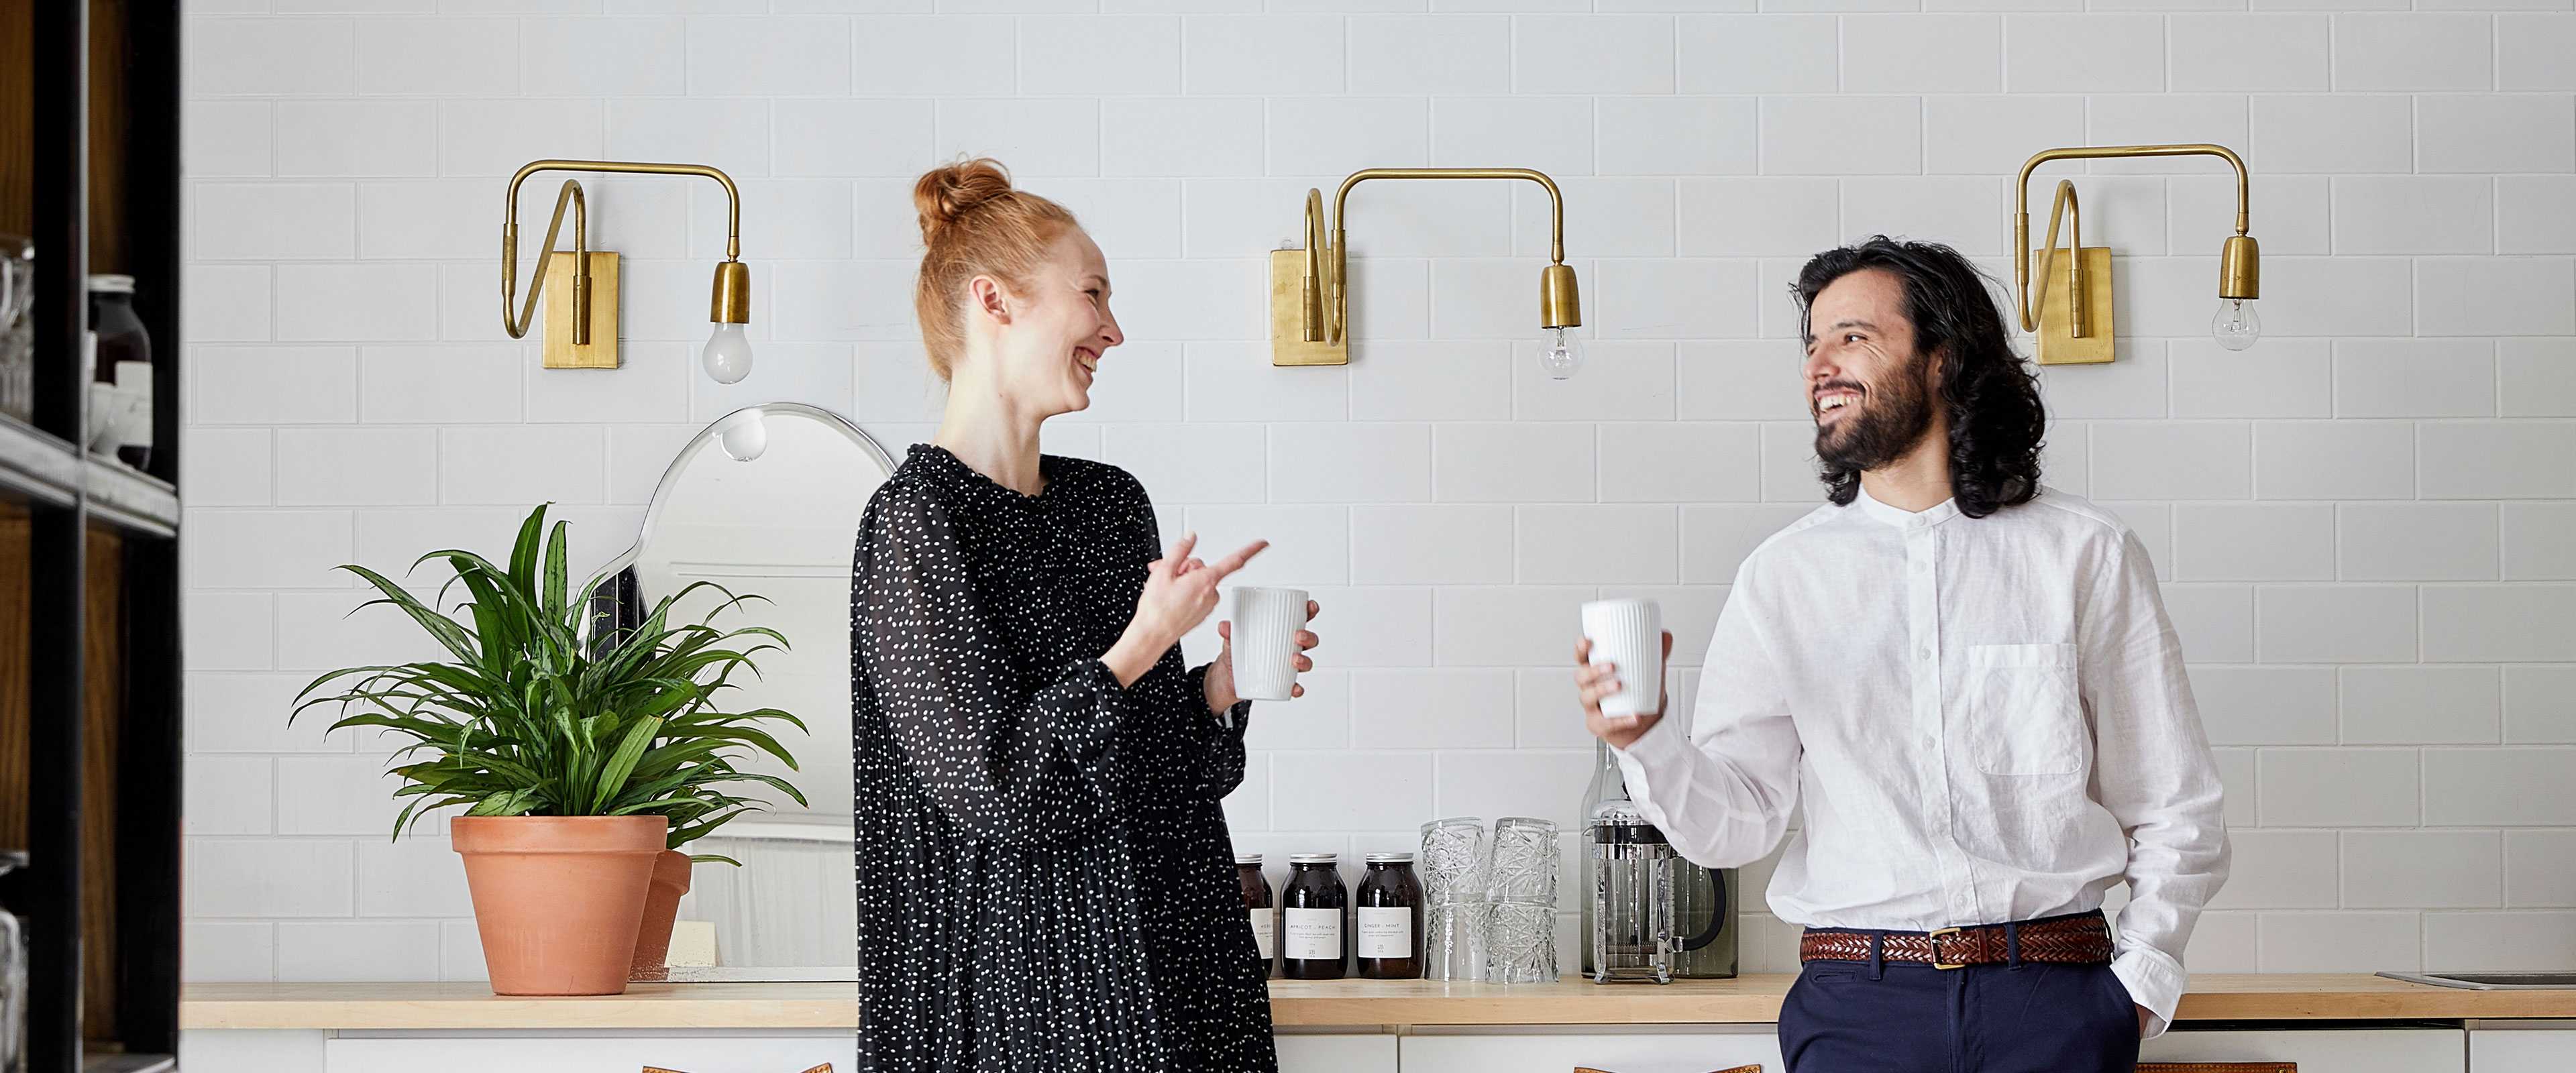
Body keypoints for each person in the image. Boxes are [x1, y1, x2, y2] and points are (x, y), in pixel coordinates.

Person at [1574, 237, 2229, 1072]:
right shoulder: (1783, 578)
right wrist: (1646, 743)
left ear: (1942, 360)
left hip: (2055, 1002)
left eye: (1852, 337)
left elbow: (2176, 805)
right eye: (1811, 344)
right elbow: (1737, 824)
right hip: (1858, 1006)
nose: (1819, 365)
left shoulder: (2084, 555)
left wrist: (2136, 990)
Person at [853, 158, 1318, 1073]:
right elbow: (998, 792)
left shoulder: (1110, 507)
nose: (1114, 328)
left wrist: (1215, 689)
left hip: (1179, 979)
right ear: (996, 301)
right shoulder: (917, 524)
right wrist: (1144, 641)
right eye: (1094, 293)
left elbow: (1149, 771)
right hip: (1027, 1008)